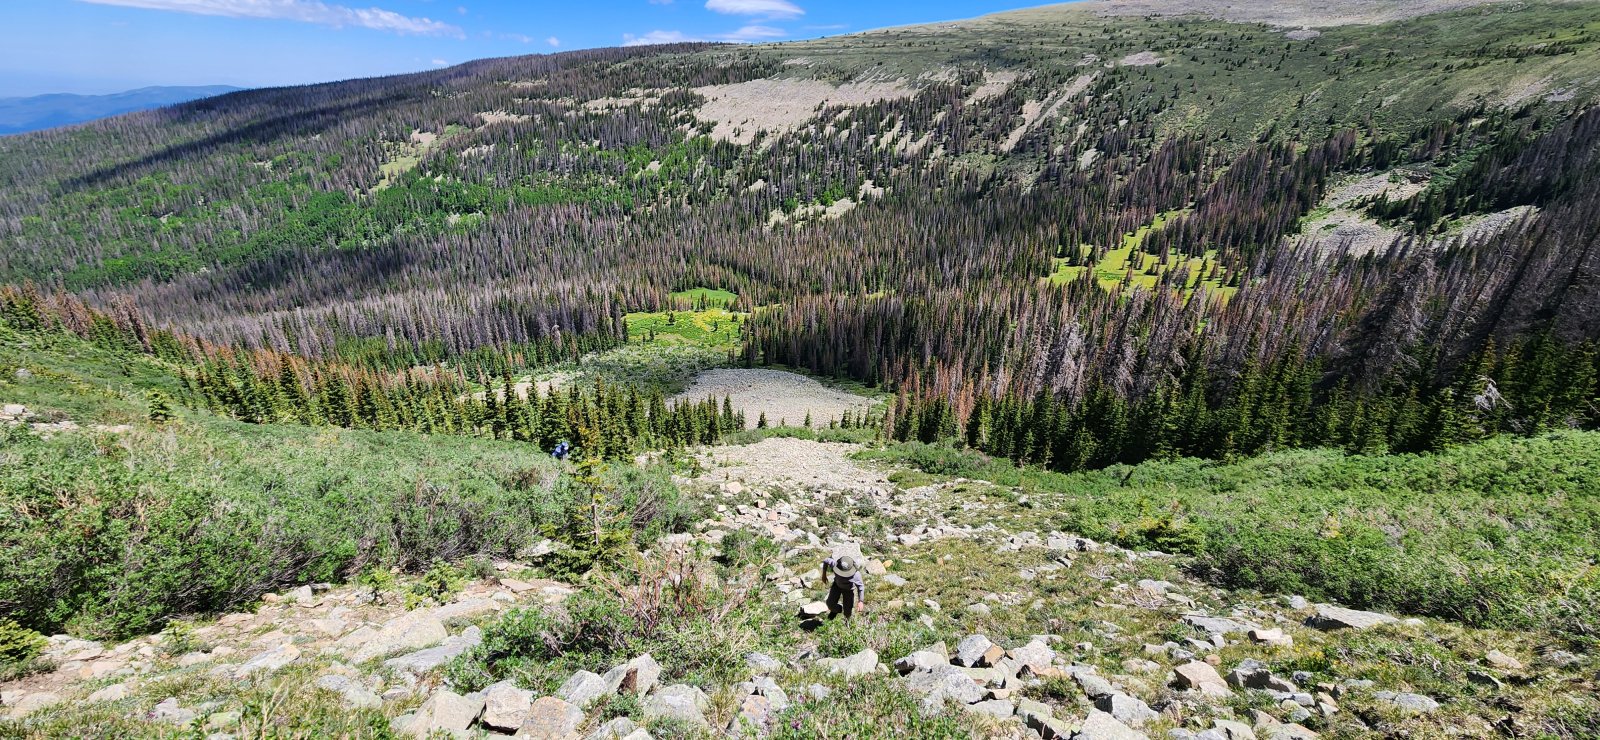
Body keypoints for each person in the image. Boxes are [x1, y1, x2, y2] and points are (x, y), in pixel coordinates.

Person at [819, 554, 865, 619]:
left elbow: (861, 587)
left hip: (848, 590)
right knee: (830, 603)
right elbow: (826, 561)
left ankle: (847, 621)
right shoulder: (835, 564)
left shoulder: (856, 575)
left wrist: (861, 601)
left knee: (848, 611)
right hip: (837, 586)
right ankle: (836, 610)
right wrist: (824, 575)